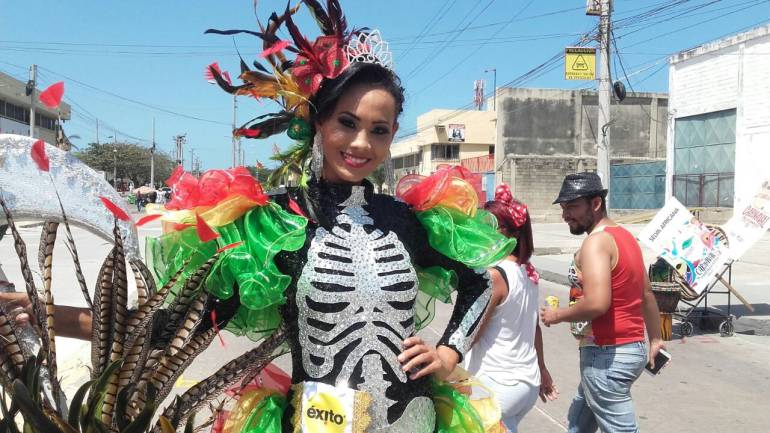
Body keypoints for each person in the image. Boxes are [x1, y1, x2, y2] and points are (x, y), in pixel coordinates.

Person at [540, 172, 665, 433]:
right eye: (564, 208)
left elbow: (598, 303)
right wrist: (655, 339)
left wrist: (557, 315)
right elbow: (647, 294)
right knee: (579, 422)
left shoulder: (595, 243)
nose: (566, 215)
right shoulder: (625, 237)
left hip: (607, 355)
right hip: (630, 350)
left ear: (596, 204)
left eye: (572, 207)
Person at [465, 184, 558, 433]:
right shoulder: (528, 272)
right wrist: (542, 369)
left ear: (513, 235)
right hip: (525, 384)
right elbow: (533, 328)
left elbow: (471, 334)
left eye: (491, 228)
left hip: (496, 384)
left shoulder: (495, 275)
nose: (482, 233)